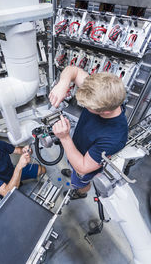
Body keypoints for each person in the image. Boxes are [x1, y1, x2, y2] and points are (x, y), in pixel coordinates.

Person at [49, 66, 128, 199]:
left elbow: (83, 168)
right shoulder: (102, 91)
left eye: (88, 107)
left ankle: (81, 192)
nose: (85, 107)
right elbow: (73, 70)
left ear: (105, 112)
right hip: (78, 150)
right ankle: (72, 169)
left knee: (79, 180)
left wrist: (65, 137)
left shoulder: (114, 137)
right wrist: (63, 84)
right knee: (73, 166)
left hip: (84, 165)